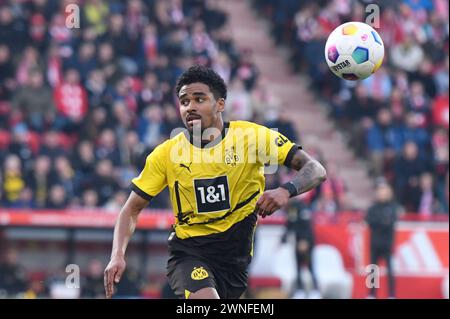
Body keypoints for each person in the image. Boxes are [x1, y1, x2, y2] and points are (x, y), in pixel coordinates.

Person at [104, 65, 326, 299]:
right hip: (189, 252)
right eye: (184, 101)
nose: (190, 107)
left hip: (235, 260)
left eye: (199, 99)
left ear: (220, 104)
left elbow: (315, 169)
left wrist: (285, 190)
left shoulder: (254, 138)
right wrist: (117, 254)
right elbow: (131, 208)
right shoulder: (167, 154)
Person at [365, 181, 402, 299]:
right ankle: (372, 294)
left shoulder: (393, 207)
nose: (382, 194)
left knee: (390, 270)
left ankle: (391, 294)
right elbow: (370, 221)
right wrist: (382, 222)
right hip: (375, 244)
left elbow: (391, 222)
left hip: (387, 244)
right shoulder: (372, 208)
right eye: (380, 192)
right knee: (373, 270)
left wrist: (380, 223)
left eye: (384, 191)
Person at [281, 199, 319, 298]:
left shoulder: (302, 207)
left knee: (310, 266)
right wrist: (282, 240)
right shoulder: (291, 208)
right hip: (297, 241)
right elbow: (290, 225)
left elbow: (307, 226)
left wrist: (305, 240)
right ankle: (300, 289)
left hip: (306, 241)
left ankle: (315, 290)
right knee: (297, 266)